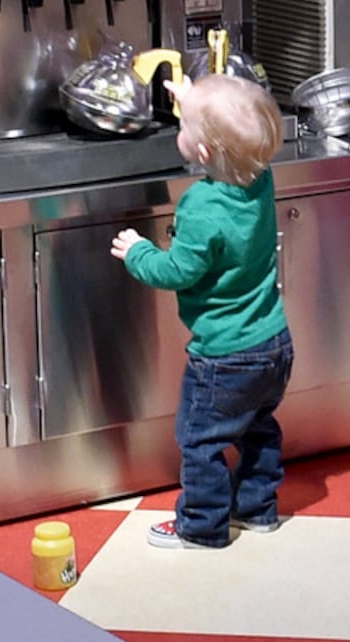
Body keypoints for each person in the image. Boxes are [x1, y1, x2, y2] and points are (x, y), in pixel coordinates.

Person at [112, 73, 293, 551]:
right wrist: (193, 101)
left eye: (186, 126)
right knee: (258, 428)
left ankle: (202, 526)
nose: (182, 130)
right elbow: (235, 129)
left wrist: (137, 253)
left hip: (224, 356)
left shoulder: (201, 206)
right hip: (273, 343)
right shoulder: (260, 178)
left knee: (201, 440)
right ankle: (257, 510)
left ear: (204, 154)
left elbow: (177, 271)